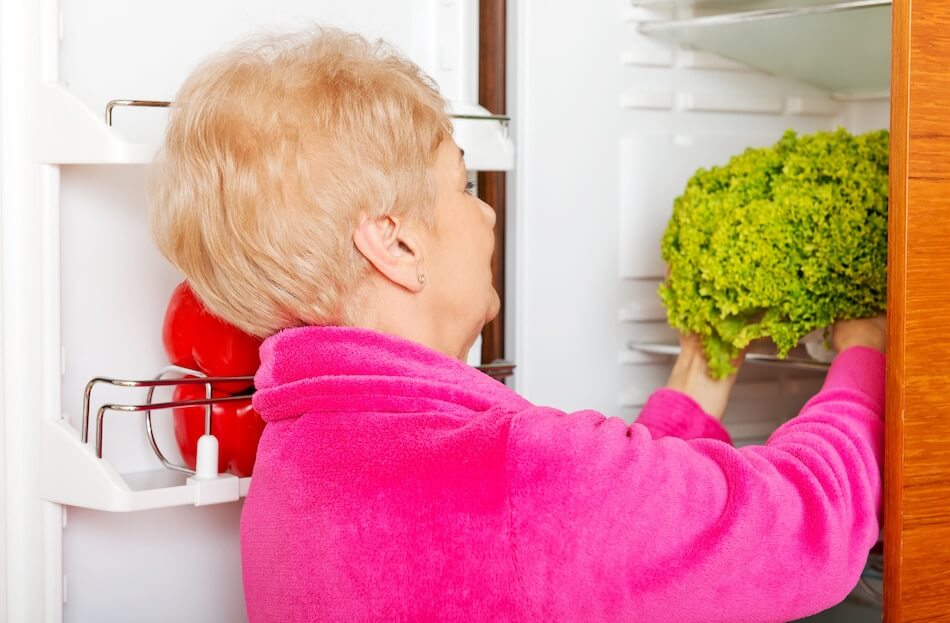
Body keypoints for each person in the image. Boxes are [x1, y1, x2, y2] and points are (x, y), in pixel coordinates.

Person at [149, 27, 886, 623]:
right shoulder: (512, 474)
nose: (487, 211)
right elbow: (805, 527)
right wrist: (868, 355)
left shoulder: (298, 459)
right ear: (396, 242)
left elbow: (598, 550)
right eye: (462, 183)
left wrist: (699, 375)